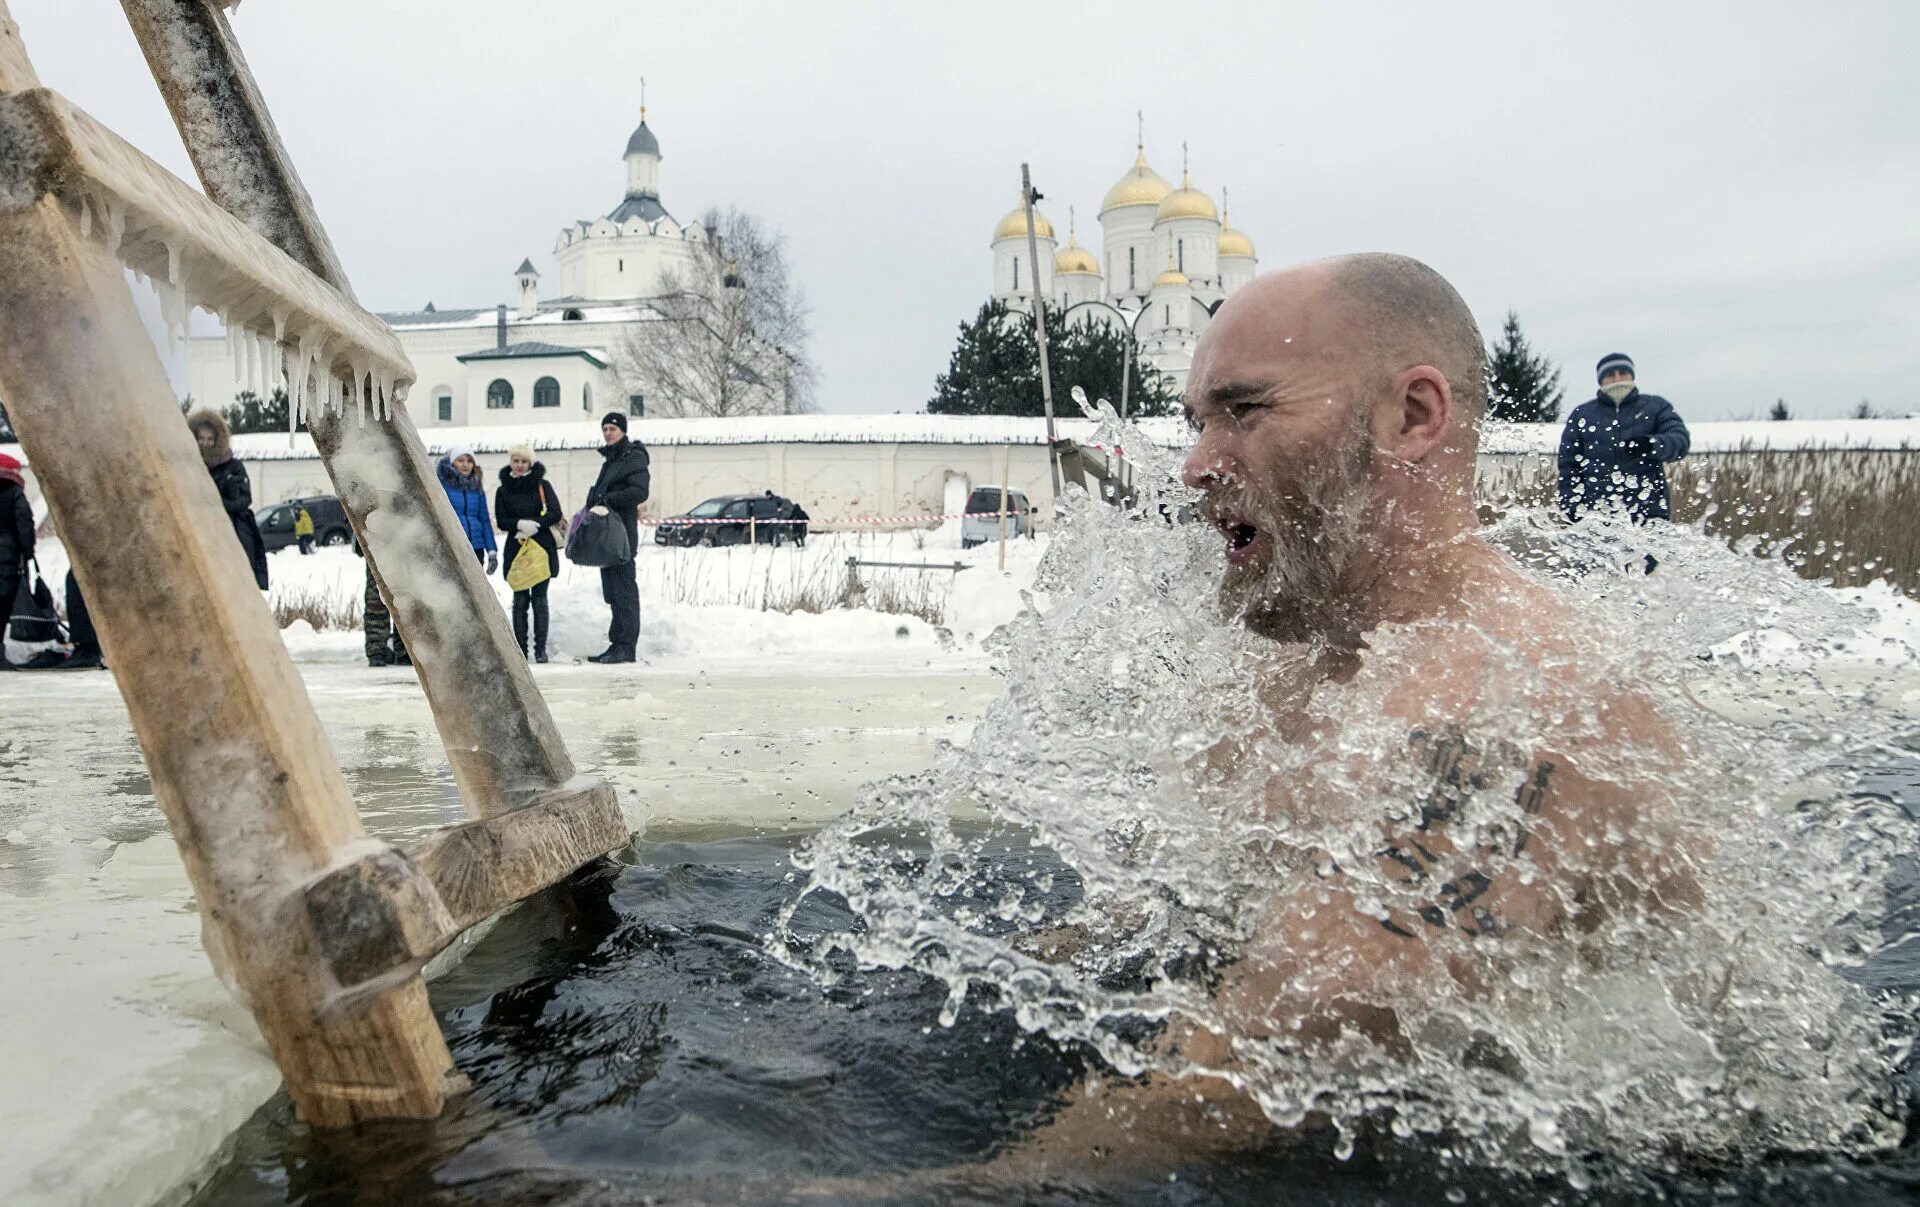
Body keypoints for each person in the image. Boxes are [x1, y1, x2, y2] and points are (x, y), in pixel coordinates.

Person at [1000, 255, 1698, 1167]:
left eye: (1244, 412)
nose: (1196, 469)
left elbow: (1263, 1059)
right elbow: (1191, 915)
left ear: (1412, 416)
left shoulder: (1526, 697)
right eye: (1196, 424)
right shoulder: (1288, 676)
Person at [1556, 352, 1690, 523]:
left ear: (1632, 375)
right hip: (1596, 516)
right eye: (1610, 374)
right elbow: (1568, 465)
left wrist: (1651, 444)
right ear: (1600, 380)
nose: (1617, 378)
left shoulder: (1655, 407)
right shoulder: (1582, 415)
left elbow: (1680, 441)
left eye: (1622, 372)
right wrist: (1571, 507)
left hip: (1649, 512)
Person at [583, 412, 649, 664]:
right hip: (606, 535)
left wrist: (608, 500)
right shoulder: (611, 459)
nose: (608, 433)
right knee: (612, 591)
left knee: (624, 591)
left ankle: (626, 646)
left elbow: (639, 492)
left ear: (622, 431)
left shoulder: (633, 457)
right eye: (605, 429)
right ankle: (616, 643)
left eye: (612, 428)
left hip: (621, 534)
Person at [494, 444, 564, 662]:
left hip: (541, 547)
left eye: (524, 461)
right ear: (510, 462)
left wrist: (536, 524)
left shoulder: (543, 485)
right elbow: (501, 520)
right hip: (516, 548)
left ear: (530, 463)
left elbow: (555, 513)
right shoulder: (503, 489)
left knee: (540, 600)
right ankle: (520, 650)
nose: (520, 465)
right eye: (516, 461)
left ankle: (540, 650)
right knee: (520, 600)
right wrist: (518, 524)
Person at [186, 409, 269, 590]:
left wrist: (218, 504)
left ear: (217, 440)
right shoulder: (188, 467)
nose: (205, 443)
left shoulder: (233, 467)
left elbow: (245, 499)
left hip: (230, 531)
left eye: (209, 439)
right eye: (201, 438)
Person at [436, 446, 497, 573]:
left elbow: (484, 520)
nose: (466, 464)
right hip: (453, 546)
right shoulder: (442, 486)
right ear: (452, 463)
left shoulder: (477, 488)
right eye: (461, 460)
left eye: (469, 461)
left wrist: (491, 551)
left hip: (476, 547)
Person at [0, 452, 34, 670]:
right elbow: (25, 524)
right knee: (2, 605)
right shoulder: (14, 493)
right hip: (7, 556)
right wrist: (28, 552)